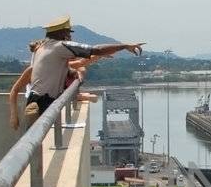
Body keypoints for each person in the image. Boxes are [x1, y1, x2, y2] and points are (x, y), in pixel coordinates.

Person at [8, 17, 144, 128]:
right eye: (68, 34)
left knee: (36, 139)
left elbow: (72, 66)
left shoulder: (43, 47)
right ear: (63, 33)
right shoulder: (59, 46)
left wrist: (76, 71)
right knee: (38, 138)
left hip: (36, 97)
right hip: (44, 100)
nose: (69, 38)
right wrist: (125, 46)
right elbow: (95, 49)